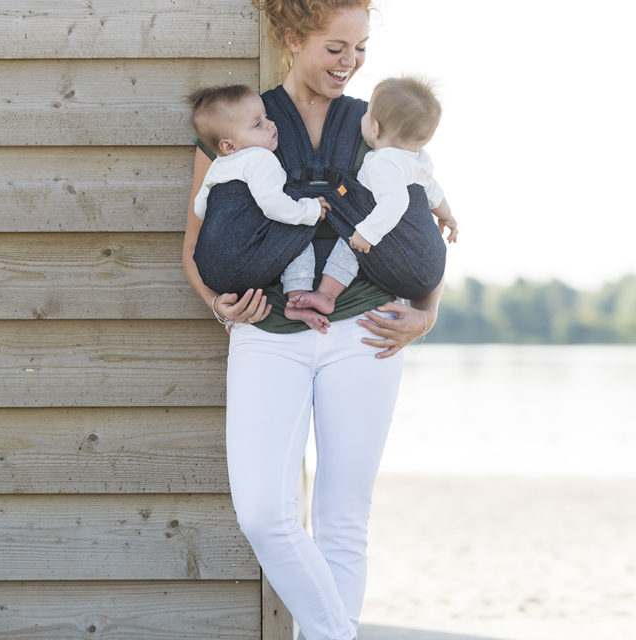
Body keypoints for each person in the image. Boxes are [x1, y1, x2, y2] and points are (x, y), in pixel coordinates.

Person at [182, 1, 445, 638]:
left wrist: (427, 316)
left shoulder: (378, 120)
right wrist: (219, 305)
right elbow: (196, 244)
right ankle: (339, 633)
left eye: (359, 50)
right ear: (292, 39)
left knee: (343, 517)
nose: (349, 63)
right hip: (267, 334)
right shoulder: (242, 117)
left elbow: (422, 226)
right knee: (264, 514)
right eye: (335, 47)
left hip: (367, 331)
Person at [287, 75, 458, 320]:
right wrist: (447, 216)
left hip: (386, 236)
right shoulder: (419, 159)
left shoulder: (383, 162)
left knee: (349, 245)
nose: (362, 117)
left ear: (375, 129)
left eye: (367, 114)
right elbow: (433, 190)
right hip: (431, 264)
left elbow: (396, 202)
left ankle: (326, 294)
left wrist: (367, 233)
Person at [189, 84, 333, 332]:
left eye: (266, 117)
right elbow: (272, 205)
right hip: (241, 267)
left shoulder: (218, 166)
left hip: (209, 271)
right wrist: (308, 211)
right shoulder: (260, 158)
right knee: (301, 218)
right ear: (229, 146)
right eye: (257, 124)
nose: (270, 124)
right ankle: (297, 296)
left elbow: (200, 208)